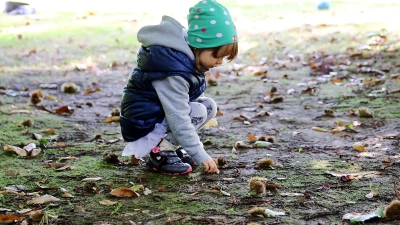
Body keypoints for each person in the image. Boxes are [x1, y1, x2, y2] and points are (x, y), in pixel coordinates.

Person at [119, 0, 238, 175]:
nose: (219, 62)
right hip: (143, 122)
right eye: (217, 55)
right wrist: (200, 154)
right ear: (201, 45)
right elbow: (178, 117)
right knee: (198, 110)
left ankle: (170, 146)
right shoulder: (173, 72)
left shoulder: (184, 59)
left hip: (157, 115)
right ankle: (160, 153)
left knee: (208, 106)